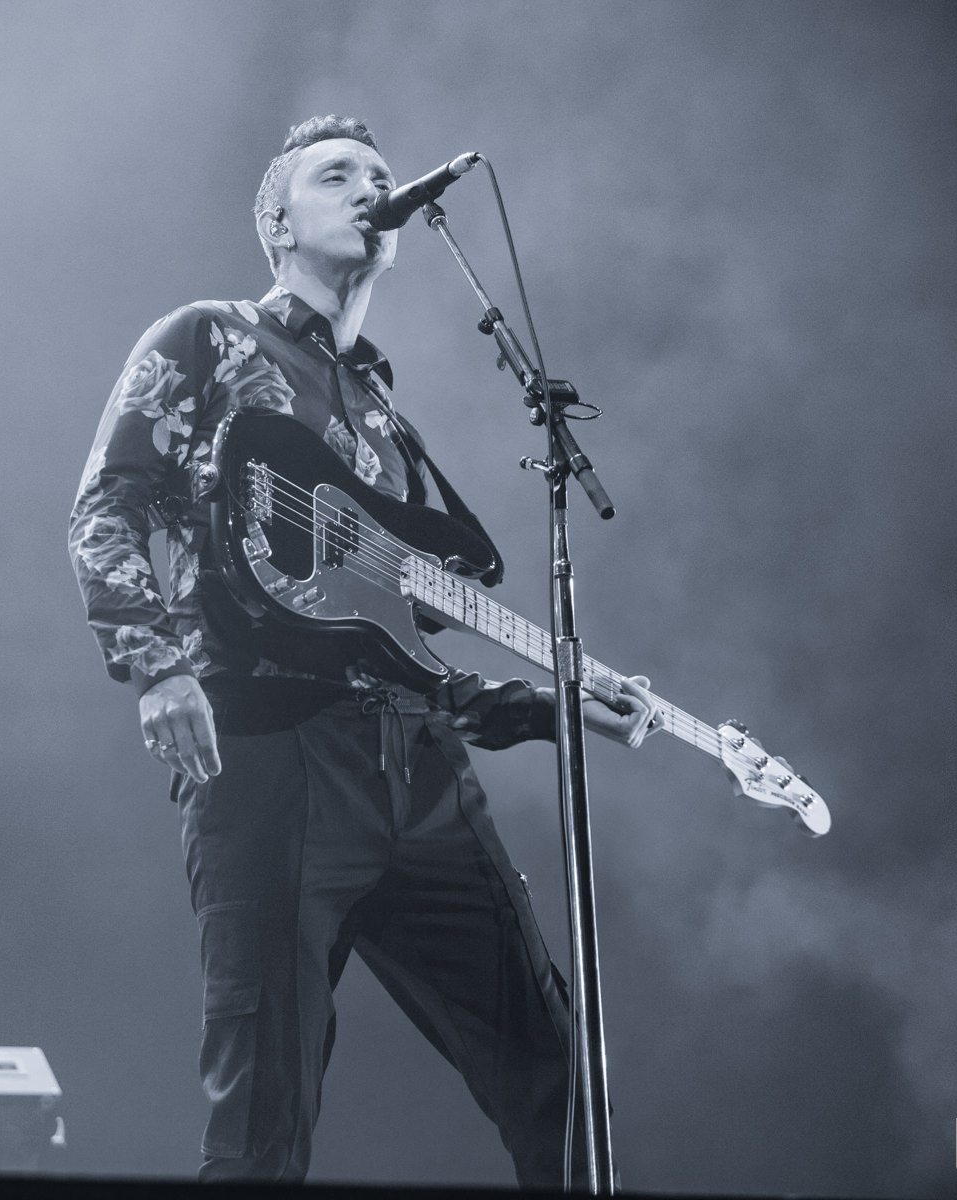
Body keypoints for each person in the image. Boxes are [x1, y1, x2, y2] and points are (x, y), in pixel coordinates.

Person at [68, 115, 658, 1186]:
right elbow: (108, 505)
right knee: (264, 1125)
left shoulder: (385, 419)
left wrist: (541, 702)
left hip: (420, 768)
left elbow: (394, 642)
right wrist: (153, 664)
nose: (371, 189)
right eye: (335, 176)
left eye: (380, 177)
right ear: (277, 223)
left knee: (559, 1080)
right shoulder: (206, 337)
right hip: (273, 756)